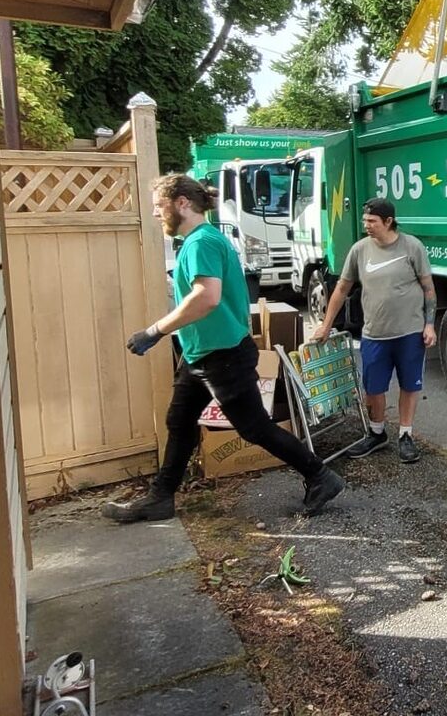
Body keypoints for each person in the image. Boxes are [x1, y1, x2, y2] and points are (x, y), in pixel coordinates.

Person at [104, 175, 344, 523]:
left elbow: (207, 297)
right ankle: (161, 497)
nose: (156, 214)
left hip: (223, 355)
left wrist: (155, 330)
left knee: (254, 428)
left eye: (159, 206)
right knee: (180, 420)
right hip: (201, 353)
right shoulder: (198, 240)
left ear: (182, 203)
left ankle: (320, 475)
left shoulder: (202, 242)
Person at [313, 197, 436, 463]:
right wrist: (326, 324)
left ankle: (406, 435)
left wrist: (429, 324)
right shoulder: (360, 250)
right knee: (373, 388)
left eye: (372, 221)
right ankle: (377, 433)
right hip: (374, 334)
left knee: (409, 385)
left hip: (409, 333)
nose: (366, 225)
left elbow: (428, 289)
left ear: (388, 222)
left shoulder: (412, 247)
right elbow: (342, 289)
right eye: (364, 220)